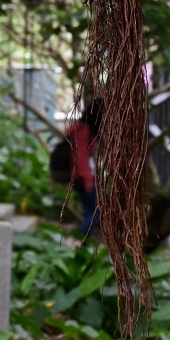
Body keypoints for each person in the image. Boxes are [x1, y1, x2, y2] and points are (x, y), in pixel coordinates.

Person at [66, 99, 103, 240]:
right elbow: (80, 157)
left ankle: (79, 244)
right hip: (82, 179)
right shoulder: (83, 130)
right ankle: (74, 242)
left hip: (84, 178)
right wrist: (88, 181)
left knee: (91, 213)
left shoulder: (84, 129)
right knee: (96, 215)